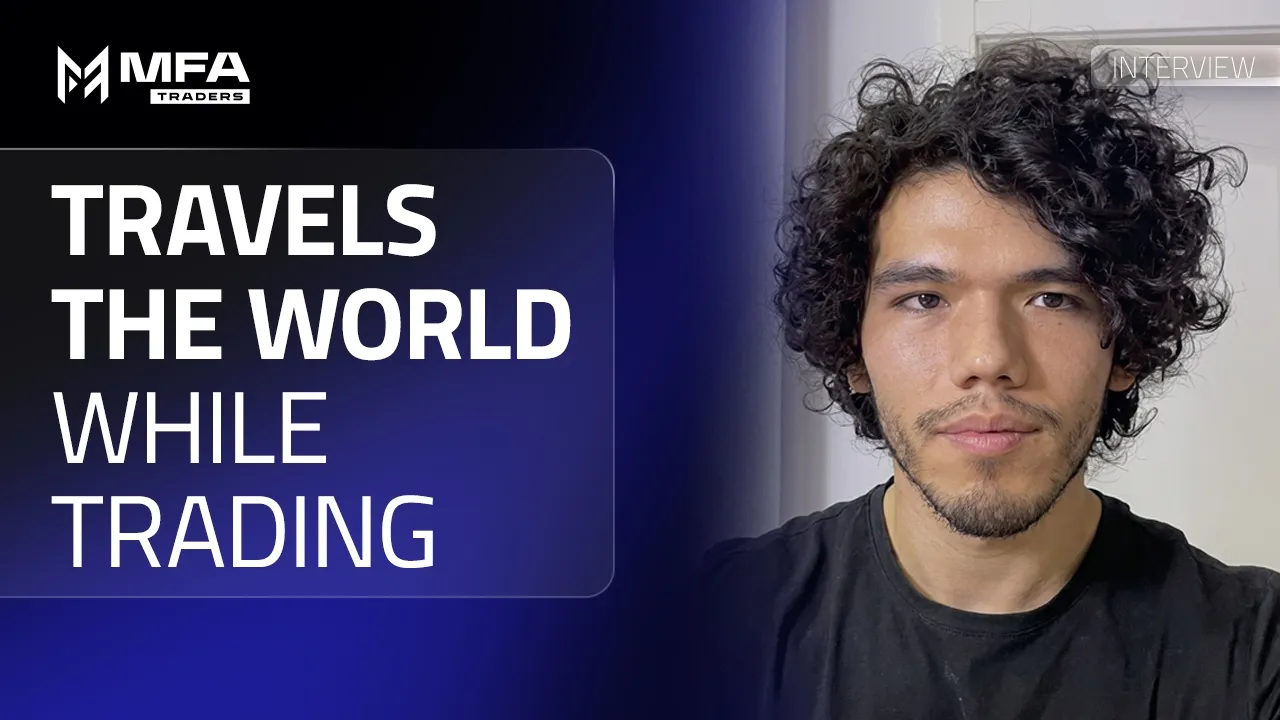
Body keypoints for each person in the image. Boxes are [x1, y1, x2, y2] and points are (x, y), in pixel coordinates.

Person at [694, 39, 1280, 719]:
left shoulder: (1255, 655)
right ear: (852, 349)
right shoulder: (703, 625)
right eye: (924, 299)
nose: (988, 356)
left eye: (1051, 299)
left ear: (1125, 346)